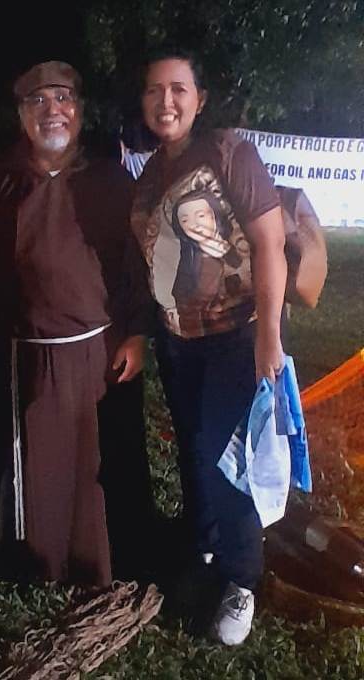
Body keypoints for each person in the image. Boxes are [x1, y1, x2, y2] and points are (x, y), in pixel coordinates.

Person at [0, 61, 154, 588]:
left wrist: (137, 331)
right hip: (27, 349)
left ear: (80, 110)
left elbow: (136, 263)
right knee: (38, 461)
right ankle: (37, 562)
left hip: (100, 346)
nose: (53, 110)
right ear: (21, 114)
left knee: (101, 462)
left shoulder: (110, 179)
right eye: (38, 100)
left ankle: (105, 561)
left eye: (64, 98)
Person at [131, 50, 287, 644]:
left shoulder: (228, 153)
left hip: (235, 337)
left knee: (228, 461)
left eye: (178, 88)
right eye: (154, 90)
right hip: (178, 341)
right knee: (195, 454)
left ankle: (242, 578)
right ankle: (203, 549)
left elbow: (269, 243)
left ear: (199, 99)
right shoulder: (149, 173)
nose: (165, 101)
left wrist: (268, 338)